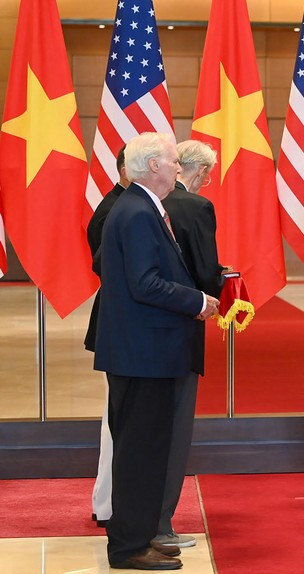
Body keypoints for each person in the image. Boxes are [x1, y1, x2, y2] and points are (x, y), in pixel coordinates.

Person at [94, 132, 219, 570]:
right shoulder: (137, 212)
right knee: (139, 451)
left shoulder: (140, 206)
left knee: (146, 448)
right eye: (172, 162)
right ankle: (129, 545)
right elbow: (145, 283)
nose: (178, 169)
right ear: (152, 166)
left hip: (144, 351)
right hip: (141, 353)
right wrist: (197, 300)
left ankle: (142, 532)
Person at [155, 140, 224, 548]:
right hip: (180, 330)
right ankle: (161, 523)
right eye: (207, 176)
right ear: (197, 172)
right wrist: (222, 282)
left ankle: (143, 519)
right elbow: (205, 271)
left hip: (143, 336)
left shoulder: (135, 204)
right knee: (174, 435)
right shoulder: (196, 207)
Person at [85, 146, 129, 527]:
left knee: (115, 417)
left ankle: (109, 501)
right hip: (118, 322)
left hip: (120, 323)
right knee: (116, 418)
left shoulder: (120, 205)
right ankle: (108, 504)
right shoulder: (114, 210)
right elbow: (106, 267)